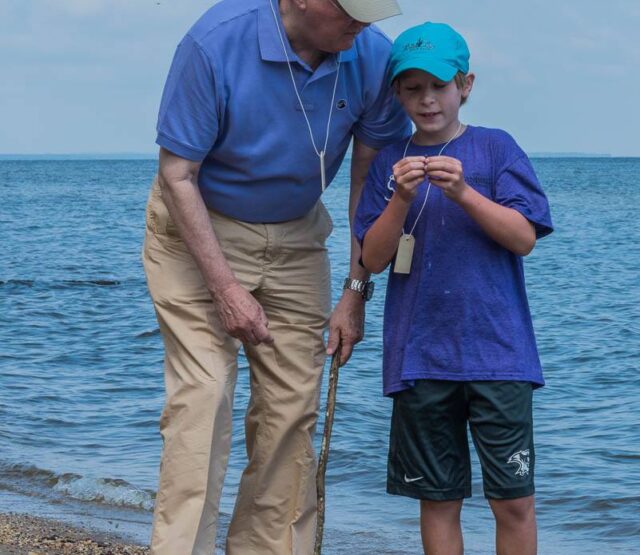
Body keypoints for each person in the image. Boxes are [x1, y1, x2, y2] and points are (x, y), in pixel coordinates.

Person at [142, 0, 410, 553]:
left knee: (292, 411)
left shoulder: (371, 56)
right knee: (206, 395)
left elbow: (368, 180)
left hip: (298, 235)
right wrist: (226, 289)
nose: (365, 24)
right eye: (352, 11)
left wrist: (355, 289)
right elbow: (178, 174)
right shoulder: (213, 43)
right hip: (199, 229)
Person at [354, 22, 553, 555]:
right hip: (420, 358)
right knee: (438, 500)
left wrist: (465, 192)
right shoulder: (389, 167)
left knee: (513, 501)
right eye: (412, 88)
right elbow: (372, 258)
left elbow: (523, 238)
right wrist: (399, 198)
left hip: (500, 357)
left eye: (438, 86)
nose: (427, 100)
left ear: (464, 86)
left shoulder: (495, 148)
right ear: (397, 94)